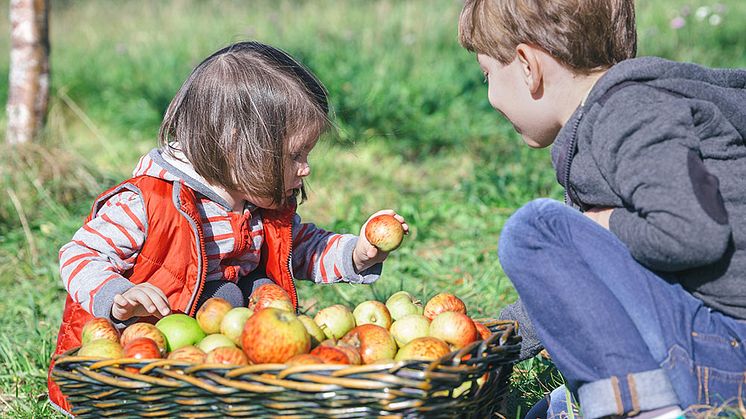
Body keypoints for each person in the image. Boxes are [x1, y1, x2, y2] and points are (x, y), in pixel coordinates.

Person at [47, 41, 408, 415]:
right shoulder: (146, 203)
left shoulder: (256, 202)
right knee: (234, 297)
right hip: (140, 362)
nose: (305, 169)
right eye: (294, 155)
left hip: (216, 356)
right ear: (237, 146)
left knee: (259, 292)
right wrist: (117, 295)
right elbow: (79, 254)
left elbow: (302, 249)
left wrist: (358, 253)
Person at [458, 0, 746, 418]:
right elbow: (582, 275)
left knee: (534, 231)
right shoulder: (627, 115)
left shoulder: (627, 115)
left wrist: (602, 222)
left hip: (728, 353)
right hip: (718, 341)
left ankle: (648, 409)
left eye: (487, 75)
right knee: (546, 412)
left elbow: (691, 233)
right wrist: (491, 339)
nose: (490, 96)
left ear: (527, 65)